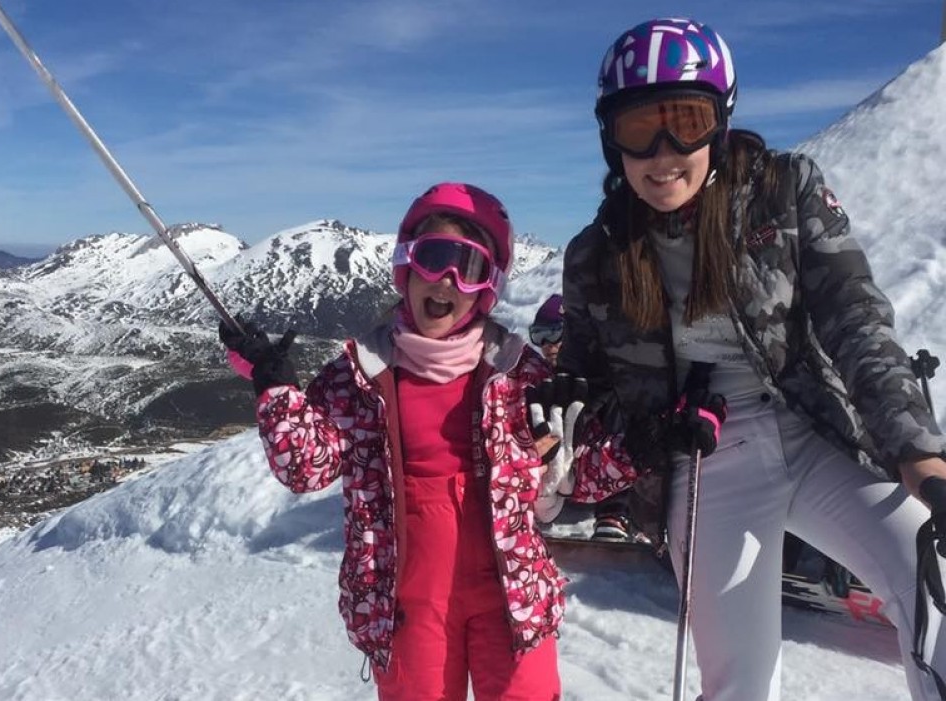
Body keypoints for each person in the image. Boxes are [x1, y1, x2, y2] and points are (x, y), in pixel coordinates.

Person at [558, 17, 946, 700]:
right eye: (637, 128)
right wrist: (607, 439)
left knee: (931, 575)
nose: (663, 150)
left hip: (816, 431)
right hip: (707, 466)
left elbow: (853, 314)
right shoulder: (597, 257)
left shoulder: (782, 192)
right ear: (608, 139)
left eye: (686, 120)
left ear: (721, 122)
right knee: (739, 678)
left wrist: (917, 447)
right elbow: (590, 387)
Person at [220, 182, 632, 700]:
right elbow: (308, 468)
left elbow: (576, 472)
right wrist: (275, 387)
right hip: (407, 600)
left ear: (487, 287)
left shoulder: (515, 371)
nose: (447, 281)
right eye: (433, 258)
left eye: (470, 268)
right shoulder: (360, 374)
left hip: (510, 594)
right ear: (407, 267)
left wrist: (641, 439)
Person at [531, 293, 639, 543]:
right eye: (539, 335)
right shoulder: (540, 376)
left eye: (554, 334)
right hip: (562, 480)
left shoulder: (606, 372)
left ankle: (614, 511)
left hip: (602, 469)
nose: (547, 345)